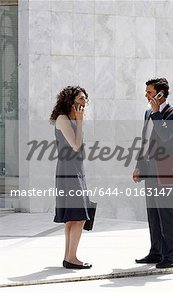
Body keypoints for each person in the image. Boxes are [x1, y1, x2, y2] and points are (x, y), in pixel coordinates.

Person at [133, 78, 173, 269]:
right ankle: (156, 252)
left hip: (166, 170)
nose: (146, 95)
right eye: (146, 92)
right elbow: (145, 141)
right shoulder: (148, 113)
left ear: (161, 94)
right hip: (149, 170)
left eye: (150, 92)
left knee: (166, 212)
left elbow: (165, 136)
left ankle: (170, 256)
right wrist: (139, 166)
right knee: (153, 213)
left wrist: (156, 114)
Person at [50, 86, 92, 269]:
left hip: (75, 170)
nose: (85, 102)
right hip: (69, 172)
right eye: (82, 98)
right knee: (78, 216)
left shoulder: (71, 119)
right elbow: (76, 146)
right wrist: (81, 122)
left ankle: (69, 257)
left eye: (85, 99)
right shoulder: (62, 118)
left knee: (73, 217)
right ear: (71, 100)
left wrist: (79, 121)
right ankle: (72, 257)